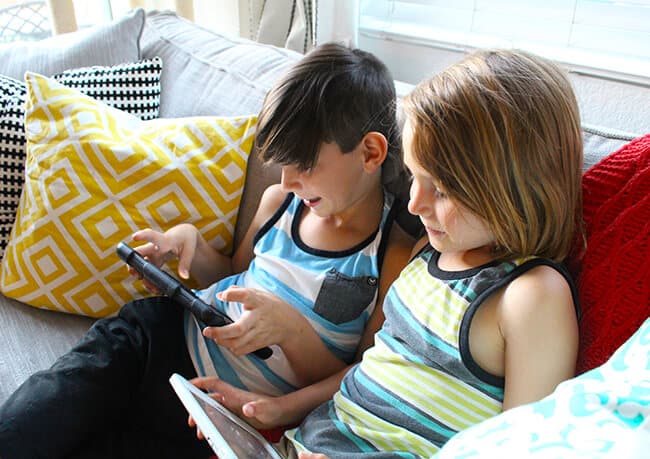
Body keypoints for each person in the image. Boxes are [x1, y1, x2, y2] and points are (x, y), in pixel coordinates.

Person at [0, 42, 414, 459]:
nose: (287, 181)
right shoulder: (280, 203)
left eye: (303, 166)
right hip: (157, 340)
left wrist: (291, 333)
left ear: (370, 153)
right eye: (282, 165)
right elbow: (233, 273)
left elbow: (361, 376)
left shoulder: (391, 258)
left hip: (216, 411)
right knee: (37, 418)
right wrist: (190, 247)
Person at [190, 48, 584, 458]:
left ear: (516, 188)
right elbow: (371, 367)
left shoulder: (531, 294)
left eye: (441, 190)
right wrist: (275, 410)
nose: (413, 204)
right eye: (414, 177)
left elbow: (523, 449)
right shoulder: (423, 255)